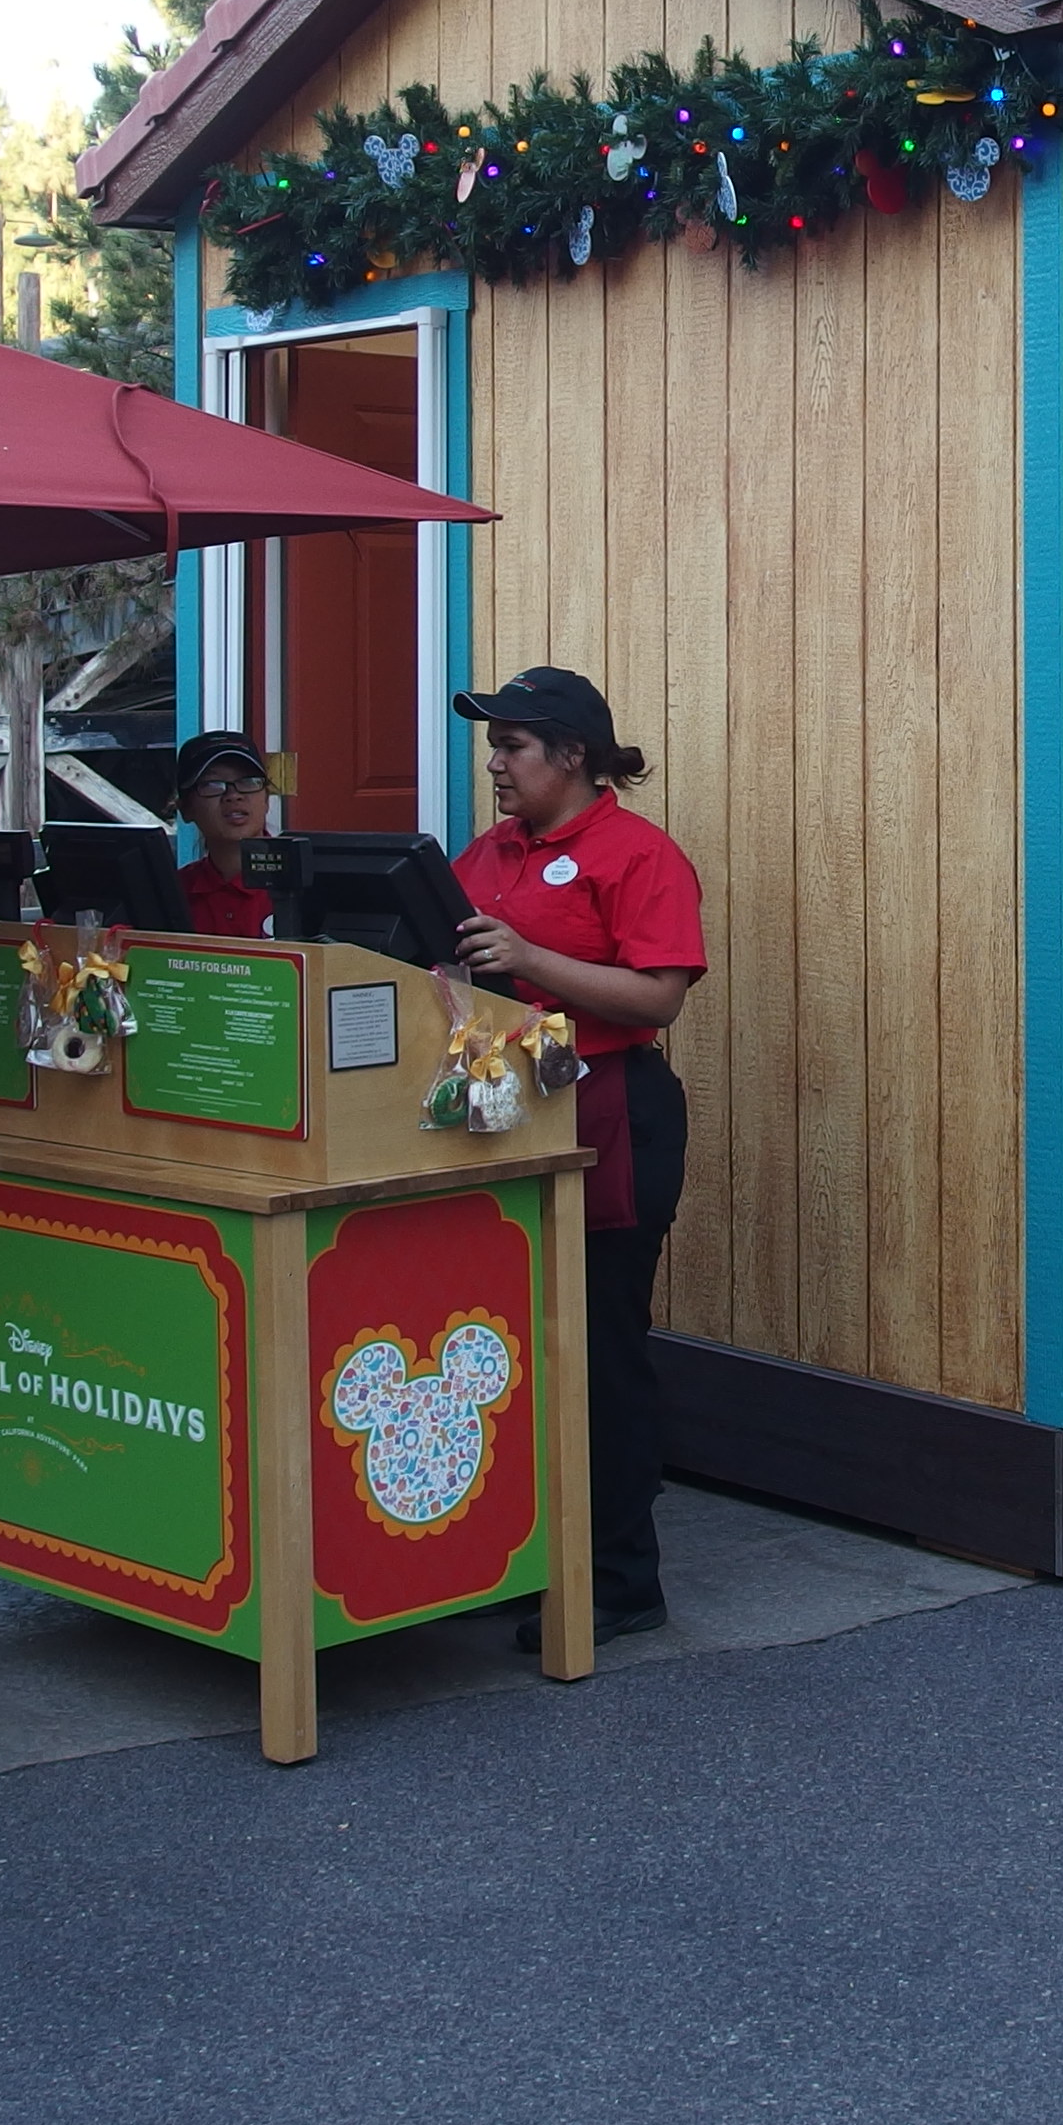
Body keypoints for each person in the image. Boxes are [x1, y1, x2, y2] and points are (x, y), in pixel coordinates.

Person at [444, 667, 706, 1645]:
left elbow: (657, 997)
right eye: (492, 745)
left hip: (608, 1117)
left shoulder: (636, 856)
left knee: (597, 1349)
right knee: (513, 1345)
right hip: (506, 1109)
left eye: (512, 746)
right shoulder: (487, 854)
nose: (495, 764)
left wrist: (528, 961)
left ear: (574, 756)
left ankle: (617, 1578)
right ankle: (527, 1552)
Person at [168, 730, 277, 937]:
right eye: (213, 785)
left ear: (266, 800)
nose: (233, 795)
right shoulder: (170, 894)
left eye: (248, 781)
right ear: (185, 809)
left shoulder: (304, 888)